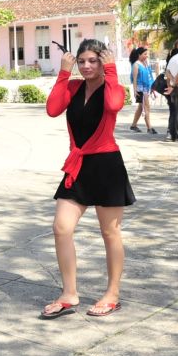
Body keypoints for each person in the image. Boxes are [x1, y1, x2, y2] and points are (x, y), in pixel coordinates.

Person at [42, 39, 134, 319]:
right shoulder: (73, 86)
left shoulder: (111, 86)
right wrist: (63, 73)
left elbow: (115, 104)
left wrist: (111, 70)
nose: (86, 66)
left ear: (102, 61)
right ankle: (69, 293)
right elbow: (52, 109)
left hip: (106, 165)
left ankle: (113, 294)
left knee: (110, 233)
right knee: (61, 227)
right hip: (79, 165)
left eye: (92, 61)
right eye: (81, 61)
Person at [128, 47, 156, 134]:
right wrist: (135, 91)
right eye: (144, 54)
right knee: (146, 107)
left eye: (147, 54)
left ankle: (133, 125)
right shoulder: (136, 65)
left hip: (146, 88)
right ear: (139, 55)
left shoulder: (145, 63)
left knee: (141, 107)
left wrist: (152, 87)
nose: (146, 56)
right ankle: (149, 128)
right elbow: (135, 79)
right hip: (141, 89)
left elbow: (149, 76)